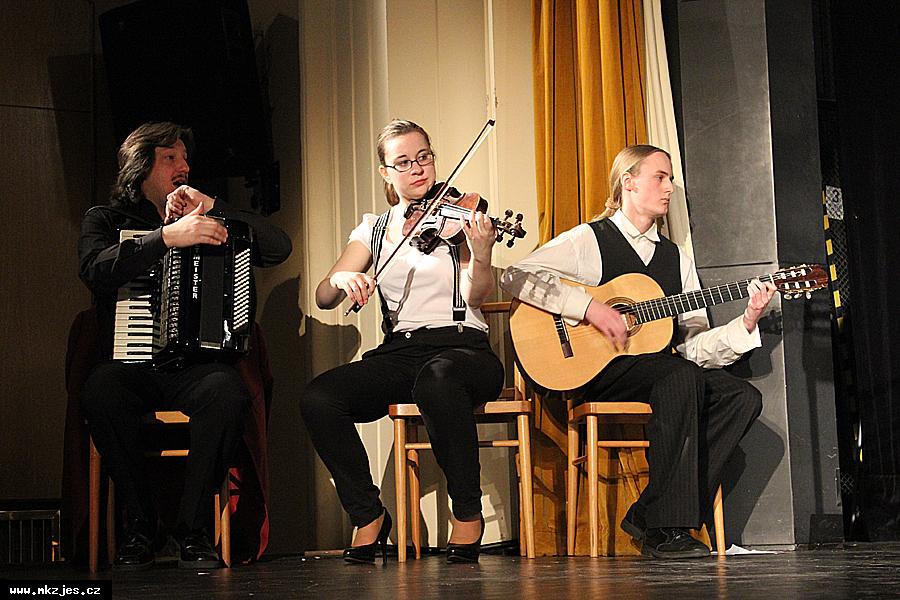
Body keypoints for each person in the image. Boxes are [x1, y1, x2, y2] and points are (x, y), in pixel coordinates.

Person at [500, 144, 776, 559]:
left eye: (671, 180)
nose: (669, 188)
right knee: (679, 376)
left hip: (663, 372)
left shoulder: (675, 258)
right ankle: (666, 528)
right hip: (594, 369)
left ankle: (648, 512)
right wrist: (588, 308)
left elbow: (693, 347)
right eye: (660, 178)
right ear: (628, 183)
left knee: (742, 397)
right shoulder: (591, 239)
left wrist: (748, 320)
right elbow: (517, 275)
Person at [78, 121, 292, 570]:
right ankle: (142, 526)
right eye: (170, 157)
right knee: (101, 389)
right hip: (133, 366)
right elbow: (94, 270)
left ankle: (192, 530)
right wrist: (164, 238)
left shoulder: (209, 221)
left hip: (193, 366)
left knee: (227, 392)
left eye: (186, 158)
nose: (184, 166)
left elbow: (277, 247)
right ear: (141, 166)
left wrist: (211, 206)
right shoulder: (107, 220)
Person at [300, 119, 505, 564]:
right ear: (386, 172)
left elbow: (477, 296)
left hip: (464, 349)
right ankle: (368, 514)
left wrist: (483, 252)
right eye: (404, 162)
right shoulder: (374, 229)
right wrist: (342, 278)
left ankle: (467, 513)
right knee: (320, 398)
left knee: (438, 378)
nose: (417, 169)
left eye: (424, 157)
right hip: (402, 351)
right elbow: (323, 296)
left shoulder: (459, 218)